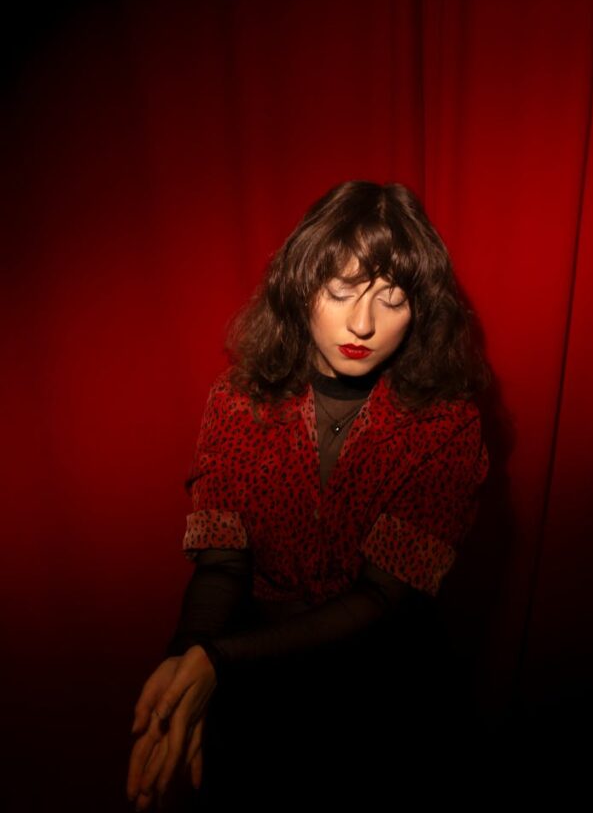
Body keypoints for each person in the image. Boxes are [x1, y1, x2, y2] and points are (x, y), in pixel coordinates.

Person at [127, 180, 490, 809]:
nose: (363, 323)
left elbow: (382, 598)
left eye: (393, 298)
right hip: (259, 693)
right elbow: (222, 566)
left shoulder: (446, 422)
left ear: (422, 311)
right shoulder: (238, 401)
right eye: (342, 290)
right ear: (300, 288)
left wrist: (216, 662)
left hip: (387, 705)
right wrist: (180, 678)